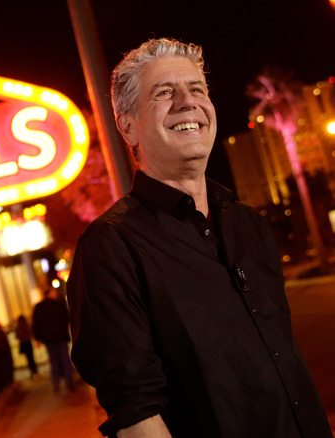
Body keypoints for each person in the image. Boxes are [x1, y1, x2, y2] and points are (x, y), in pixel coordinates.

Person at [67, 38, 332, 437]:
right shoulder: (109, 247)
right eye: (164, 93)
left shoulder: (249, 224)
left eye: (196, 89)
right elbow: (135, 412)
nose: (187, 102)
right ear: (128, 126)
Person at [32, 287, 75, 393]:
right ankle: (69, 381)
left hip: (48, 339)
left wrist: (38, 338)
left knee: (53, 360)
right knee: (65, 359)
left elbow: (36, 324)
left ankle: (56, 382)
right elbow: (67, 319)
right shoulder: (59, 305)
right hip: (61, 337)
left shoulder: (39, 307)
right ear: (50, 293)